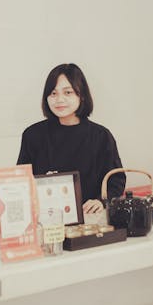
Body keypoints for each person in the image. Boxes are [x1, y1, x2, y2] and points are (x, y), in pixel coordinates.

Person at [17, 63, 125, 215]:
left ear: (81, 96)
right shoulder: (32, 135)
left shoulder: (101, 136)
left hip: (89, 219)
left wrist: (101, 201)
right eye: (53, 94)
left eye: (68, 92)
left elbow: (116, 180)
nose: (59, 99)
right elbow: (21, 182)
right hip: (46, 219)